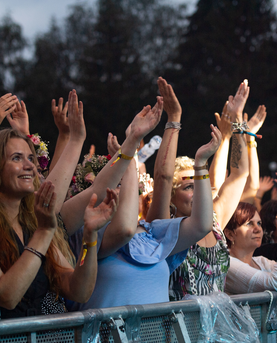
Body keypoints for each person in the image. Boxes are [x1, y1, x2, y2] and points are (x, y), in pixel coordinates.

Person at [0, 91, 161, 320]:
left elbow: (78, 290)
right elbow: (7, 296)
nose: (30, 166)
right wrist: (44, 232)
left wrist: (89, 237)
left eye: (31, 158)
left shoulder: (35, 221)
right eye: (16, 158)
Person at [73, 124, 222, 309]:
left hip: (156, 338)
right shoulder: (87, 235)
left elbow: (202, 225)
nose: (120, 190)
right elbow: (124, 230)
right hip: (104, 338)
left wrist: (200, 165)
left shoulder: (151, 232)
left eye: (123, 184)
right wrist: (128, 166)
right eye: (117, 183)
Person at [144, 79, 251, 300]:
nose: (197, 191)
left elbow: (240, 173)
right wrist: (173, 119)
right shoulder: (164, 228)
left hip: (217, 329)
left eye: (198, 183)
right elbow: (162, 177)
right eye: (188, 187)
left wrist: (238, 120)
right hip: (178, 331)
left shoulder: (215, 221)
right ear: (171, 197)